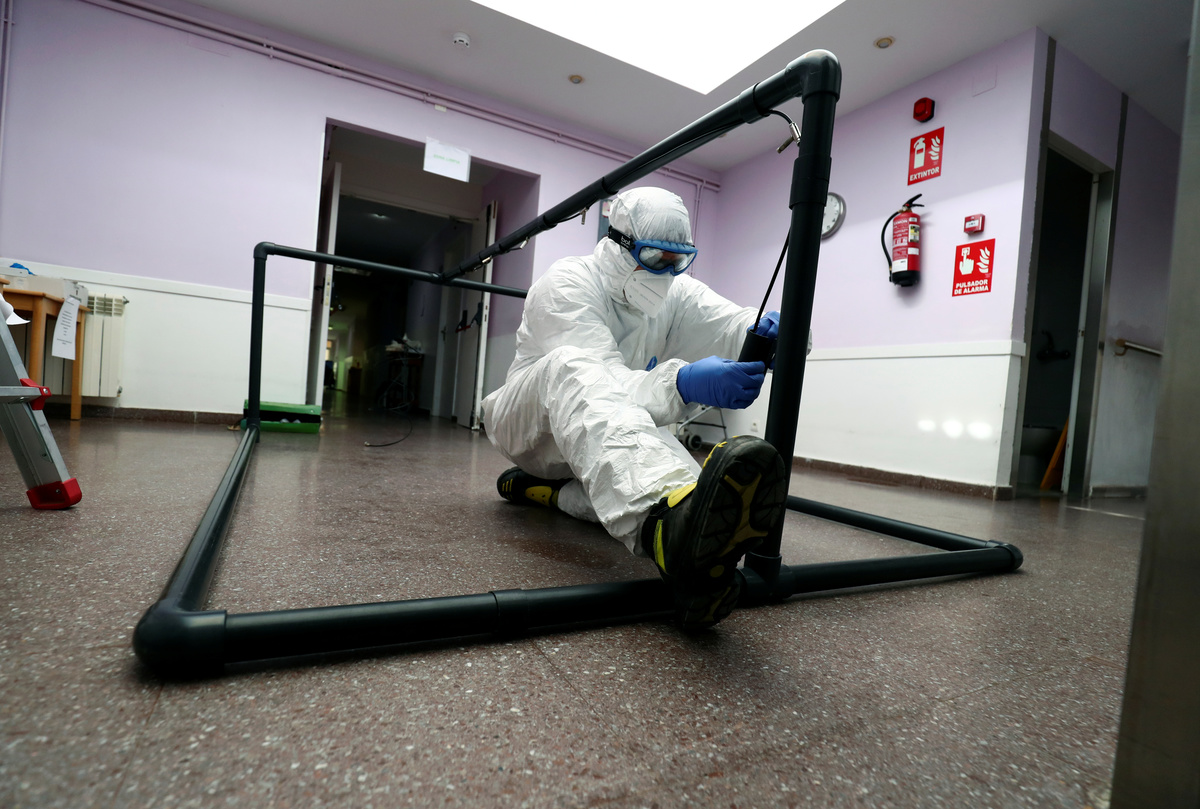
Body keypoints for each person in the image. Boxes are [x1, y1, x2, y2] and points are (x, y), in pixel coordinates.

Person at [481, 186, 791, 631]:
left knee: (683, 491)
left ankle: (687, 560)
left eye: (678, 260)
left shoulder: (674, 294)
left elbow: (728, 322)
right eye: (654, 257)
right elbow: (601, 381)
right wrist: (681, 382)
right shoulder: (567, 283)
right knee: (575, 367)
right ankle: (666, 527)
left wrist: (773, 334)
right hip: (533, 428)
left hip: (606, 426)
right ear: (617, 243)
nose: (666, 271)